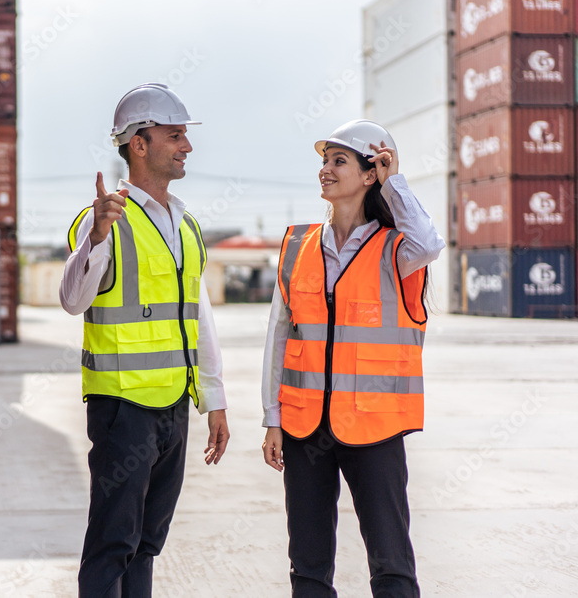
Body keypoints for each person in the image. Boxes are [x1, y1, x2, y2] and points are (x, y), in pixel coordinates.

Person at [260, 119, 445, 597]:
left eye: (338, 160)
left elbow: (430, 243)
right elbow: (279, 337)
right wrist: (272, 417)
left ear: (369, 175)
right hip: (305, 428)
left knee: (391, 563)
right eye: (324, 161)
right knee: (308, 565)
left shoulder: (396, 249)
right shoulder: (297, 246)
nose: (325, 169)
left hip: (375, 428)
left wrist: (395, 182)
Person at [59, 83, 230, 597]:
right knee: (113, 544)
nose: (187, 146)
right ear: (139, 143)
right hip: (122, 409)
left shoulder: (187, 225)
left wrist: (215, 400)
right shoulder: (105, 218)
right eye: (175, 135)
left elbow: (197, 316)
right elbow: (73, 299)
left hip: (174, 404)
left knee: (147, 544)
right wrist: (94, 240)